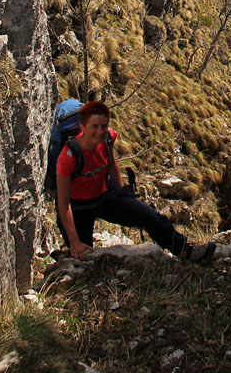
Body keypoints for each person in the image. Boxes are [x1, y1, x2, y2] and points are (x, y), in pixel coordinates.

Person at [55, 100, 215, 263]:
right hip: (77, 209)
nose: (100, 131)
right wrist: (74, 242)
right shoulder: (68, 156)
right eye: (94, 127)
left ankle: (185, 251)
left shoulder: (106, 138)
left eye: (103, 126)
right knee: (84, 258)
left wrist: (121, 192)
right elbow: (63, 202)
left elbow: (110, 163)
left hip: (103, 198)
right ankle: (66, 256)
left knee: (152, 217)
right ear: (82, 127)